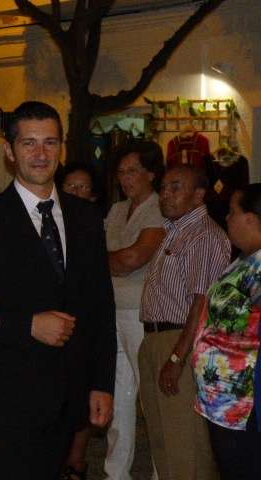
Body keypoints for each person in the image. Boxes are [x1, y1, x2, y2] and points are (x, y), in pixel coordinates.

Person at [0, 101, 116, 479]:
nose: (40, 154)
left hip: (70, 391)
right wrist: (25, 325)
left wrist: (102, 383)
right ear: (9, 151)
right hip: (11, 392)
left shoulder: (85, 217)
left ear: (61, 149)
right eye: (29, 143)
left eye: (50, 142)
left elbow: (101, 308)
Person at [139, 165, 230, 480]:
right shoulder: (174, 231)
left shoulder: (203, 235)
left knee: (185, 445)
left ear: (199, 195)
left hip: (179, 341)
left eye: (176, 187)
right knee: (163, 442)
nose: (166, 194)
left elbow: (201, 303)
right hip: (156, 339)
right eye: (163, 187)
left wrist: (177, 357)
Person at [102, 142, 166, 480]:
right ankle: (116, 473)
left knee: (150, 398)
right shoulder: (117, 209)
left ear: (151, 174)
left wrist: (99, 261)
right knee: (117, 396)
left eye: (133, 171)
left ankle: (160, 472)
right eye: (121, 172)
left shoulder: (158, 208)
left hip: (142, 312)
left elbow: (134, 258)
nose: (125, 178)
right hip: (112, 310)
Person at [192, 183, 261, 479]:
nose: (227, 218)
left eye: (233, 212)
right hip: (224, 400)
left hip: (245, 402)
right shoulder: (244, 260)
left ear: (251, 218)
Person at [56, 160, 101, 480]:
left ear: (94, 194)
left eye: (82, 187)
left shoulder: (94, 224)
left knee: (83, 391)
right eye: (70, 186)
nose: (75, 192)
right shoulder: (49, 221)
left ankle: (76, 461)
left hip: (86, 321)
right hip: (53, 320)